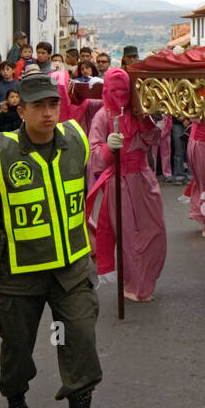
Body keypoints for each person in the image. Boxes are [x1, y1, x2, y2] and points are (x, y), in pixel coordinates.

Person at [0, 72, 121, 408]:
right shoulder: (1, 154)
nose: (48, 113)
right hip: (18, 270)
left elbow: (89, 180)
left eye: (53, 104)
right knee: (17, 346)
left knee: (81, 338)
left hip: (70, 265)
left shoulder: (75, 141)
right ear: (21, 110)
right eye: (38, 106)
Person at [85, 68, 166, 301]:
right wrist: (108, 148)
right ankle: (133, 285)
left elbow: (153, 140)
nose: (119, 95)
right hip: (118, 182)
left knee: (155, 232)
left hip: (144, 177)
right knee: (129, 237)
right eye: (114, 90)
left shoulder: (138, 111)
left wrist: (144, 121)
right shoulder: (102, 116)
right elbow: (93, 156)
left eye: (124, 89)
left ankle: (147, 279)